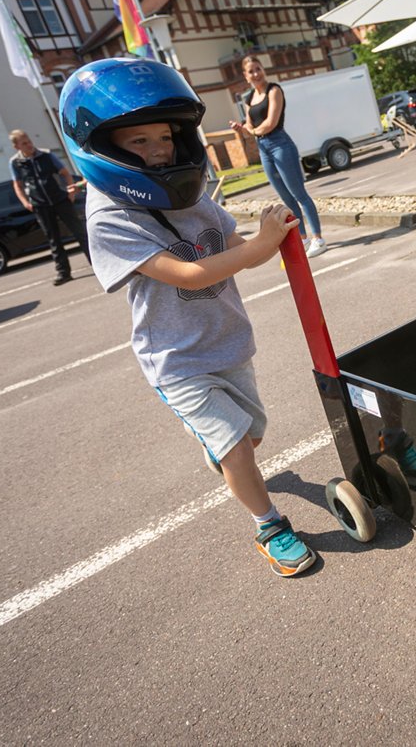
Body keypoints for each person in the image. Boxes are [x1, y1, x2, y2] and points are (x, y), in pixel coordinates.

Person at [62, 57, 317, 578]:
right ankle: (269, 526)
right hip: (178, 362)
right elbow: (189, 274)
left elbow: (241, 249)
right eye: (139, 141)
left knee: (250, 438)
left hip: (229, 344)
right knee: (238, 451)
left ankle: (223, 451)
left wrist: (272, 235)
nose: (159, 149)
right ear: (102, 145)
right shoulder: (109, 216)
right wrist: (259, 246)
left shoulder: (193, 195)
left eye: (165, 137)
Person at [230, 55, 325, 258]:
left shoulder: (274, 90)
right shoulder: (249, 99)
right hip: (263, 148)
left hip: (280, 144)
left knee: (299, 194)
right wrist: (243, 129)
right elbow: (249, 126)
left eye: (258, 68)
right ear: (246, 76)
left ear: (263, 69)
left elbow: (270, 123)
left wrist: (250, 131)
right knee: (286, 198)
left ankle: (318, 238)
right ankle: (302, 238)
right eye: (251, 71)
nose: (256, 74)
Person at [9, 129, 91, 286]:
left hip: (60, 199)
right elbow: (17, 185)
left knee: (80, 232)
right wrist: (25, 202)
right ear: (17, 146)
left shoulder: (46, 155)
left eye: (29, 141)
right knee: (54, 239)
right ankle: (63, 272)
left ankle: (96, 263)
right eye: (24, 143)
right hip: (40, 205)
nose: (29, 145)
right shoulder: (15, 163)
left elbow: (65, 173)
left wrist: (70, 192)